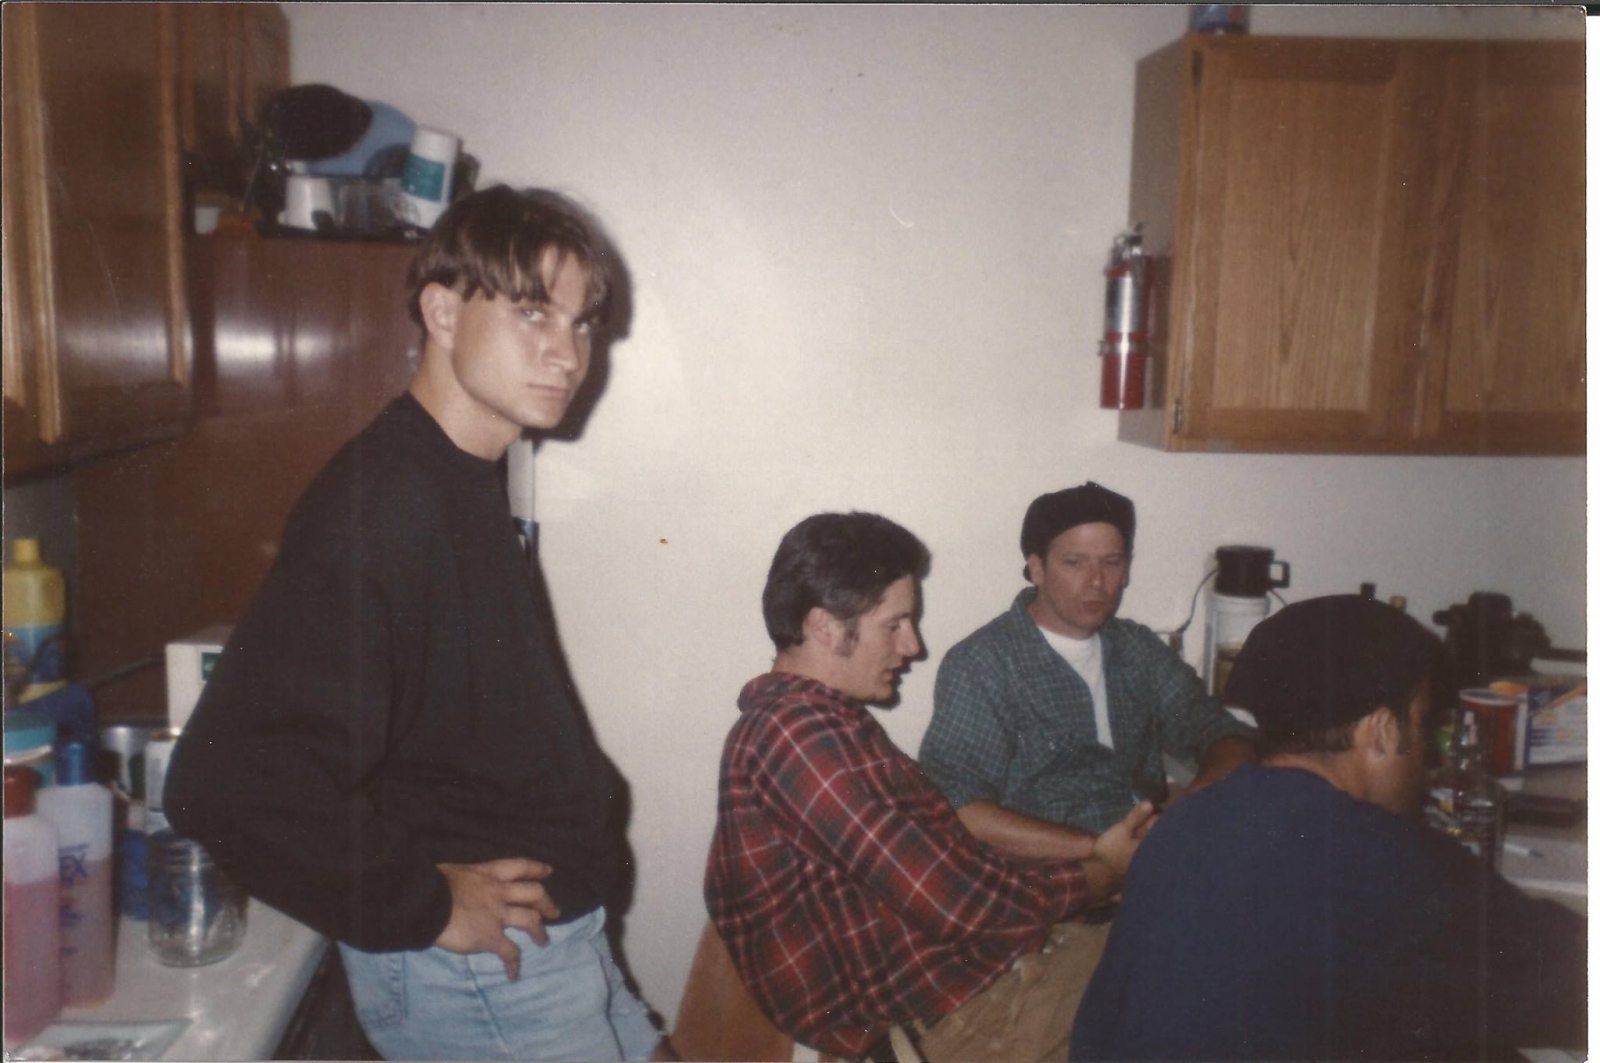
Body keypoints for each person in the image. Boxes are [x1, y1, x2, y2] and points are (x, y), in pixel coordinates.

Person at [165, 187, 666, 1062]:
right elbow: (227, 779)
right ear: (442, 309)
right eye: (532, 311)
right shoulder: (387, 502)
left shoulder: (463, 475)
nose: (568, 351)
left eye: (582, 322)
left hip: (551, 947)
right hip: (488, 974)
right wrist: (426, 903)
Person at [706, 512, 1155, 1061]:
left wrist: (1091, 874)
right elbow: (957, 905)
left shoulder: (822, 725)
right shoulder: (795, 736)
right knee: (1202, 979)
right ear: (824, 625)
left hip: (974, 988)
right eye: (894, 624)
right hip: (953, 1024)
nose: (913, 646)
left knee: (1185, 941)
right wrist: (1099, 874)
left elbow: (951, 869)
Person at [1070, 595, 1588, 1061]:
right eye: (1425, 722)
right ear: (1381, 730)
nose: (1428, 752)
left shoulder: (1186, 821)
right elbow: (1576, 983)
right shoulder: (1382, 858)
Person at [919, 481, 1255, 860]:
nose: (1097, 581)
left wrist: (1195, 804)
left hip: (1157, 855)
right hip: (1058, 880)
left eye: (1111, 563)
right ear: (1037, 569)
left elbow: (1222, 732)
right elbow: (959, 808)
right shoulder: (983, 664)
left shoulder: (1136, 648)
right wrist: (1099, 851)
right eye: (1074, 562)